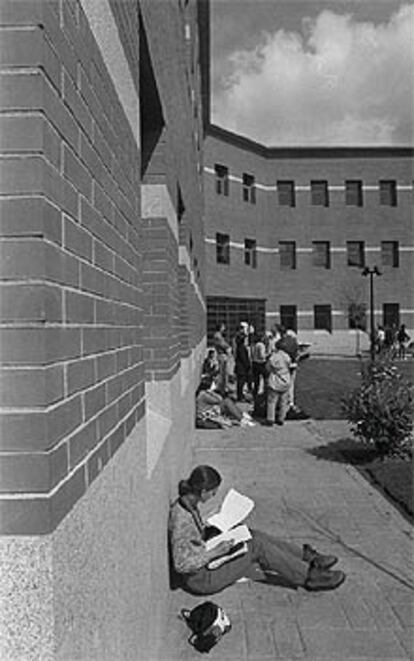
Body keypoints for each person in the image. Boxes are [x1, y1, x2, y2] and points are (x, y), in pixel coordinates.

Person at [168, 465, 346, 595]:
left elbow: (193, 539)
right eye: (213, 493)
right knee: (256, 546)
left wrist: (213, 525)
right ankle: (309, 577)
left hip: (205, 557)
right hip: (202, 579)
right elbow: (181, 564)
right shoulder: (181, 520)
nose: (213, 496)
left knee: (250, 533)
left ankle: (306, 557)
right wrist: (215, 552)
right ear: (203, 490)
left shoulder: (188, 502)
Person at [264, 340, 292, 426]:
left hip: (275, 379)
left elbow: (267, 367)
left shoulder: (274, 356)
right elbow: (289, 365)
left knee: (272, 401)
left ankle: (270, 418)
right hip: (285, 379)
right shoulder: (287, 356)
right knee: (283, 401)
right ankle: (281, 418)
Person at [234, 322, 252, 402]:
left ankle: (240, 395)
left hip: (239, 367)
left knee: (240, 383)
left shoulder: (240, 347)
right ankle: (240, 396)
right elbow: (244, 358)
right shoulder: (241, 348)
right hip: (242, 368)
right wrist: (248, 365)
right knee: (241, 383)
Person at [212, 324, 231, 394]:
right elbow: (222, 344)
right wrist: (228, 347)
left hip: (222, 355)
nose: (224, 328)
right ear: (220, 328)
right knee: (223, 373)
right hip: (222, 355)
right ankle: (223, 389)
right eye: (223, 326)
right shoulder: (218, 335)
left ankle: (224, 387)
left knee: (224, 373)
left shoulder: (218, 335)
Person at [251, 332, 267, 401]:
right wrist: (268, 354)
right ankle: (264, 392)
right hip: (261, 363)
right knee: (265, 378)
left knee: (256, 380)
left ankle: (255, 393)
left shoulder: (254, 345)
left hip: (254, 363)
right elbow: (262, 355)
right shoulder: (261, 345)